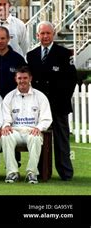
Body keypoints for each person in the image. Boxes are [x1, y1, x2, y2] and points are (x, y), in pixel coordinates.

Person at [27, 21, 77, 181]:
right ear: (37, 35)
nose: (45, 36)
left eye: (48, 33)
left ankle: (66, 173)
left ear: (53, 34)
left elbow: (71, 80)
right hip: (38, 108)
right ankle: (42, 171)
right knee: (39, 140)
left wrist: (60, 100)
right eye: (42, 33)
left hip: (59, 105)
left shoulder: (64, 53)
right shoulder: (32, 55)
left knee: (62, 140)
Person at [1, 66, 52, 184]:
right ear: (15, 79)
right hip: (15, 131)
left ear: (30, 79)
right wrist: (7, 125)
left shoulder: (40, 96)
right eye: (19, 78)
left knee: (35, 138)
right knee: (6, 136)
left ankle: (31, 173)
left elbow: (46, 118)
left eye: (25, 78)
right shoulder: (9, 97)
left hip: (32, 131)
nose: (22, 80)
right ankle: (12, 172)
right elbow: (5, 116)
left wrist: (39, 128)